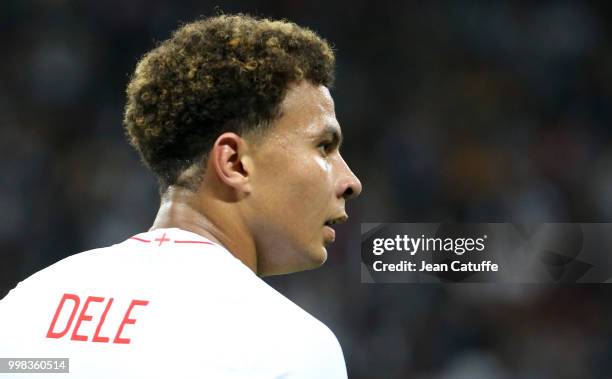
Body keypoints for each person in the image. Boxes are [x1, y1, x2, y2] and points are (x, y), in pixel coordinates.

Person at [0, 14, 362, 378]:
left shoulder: (27, 305)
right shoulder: (292, 347)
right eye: (324, 147)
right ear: (234, 162)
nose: (350, 181)